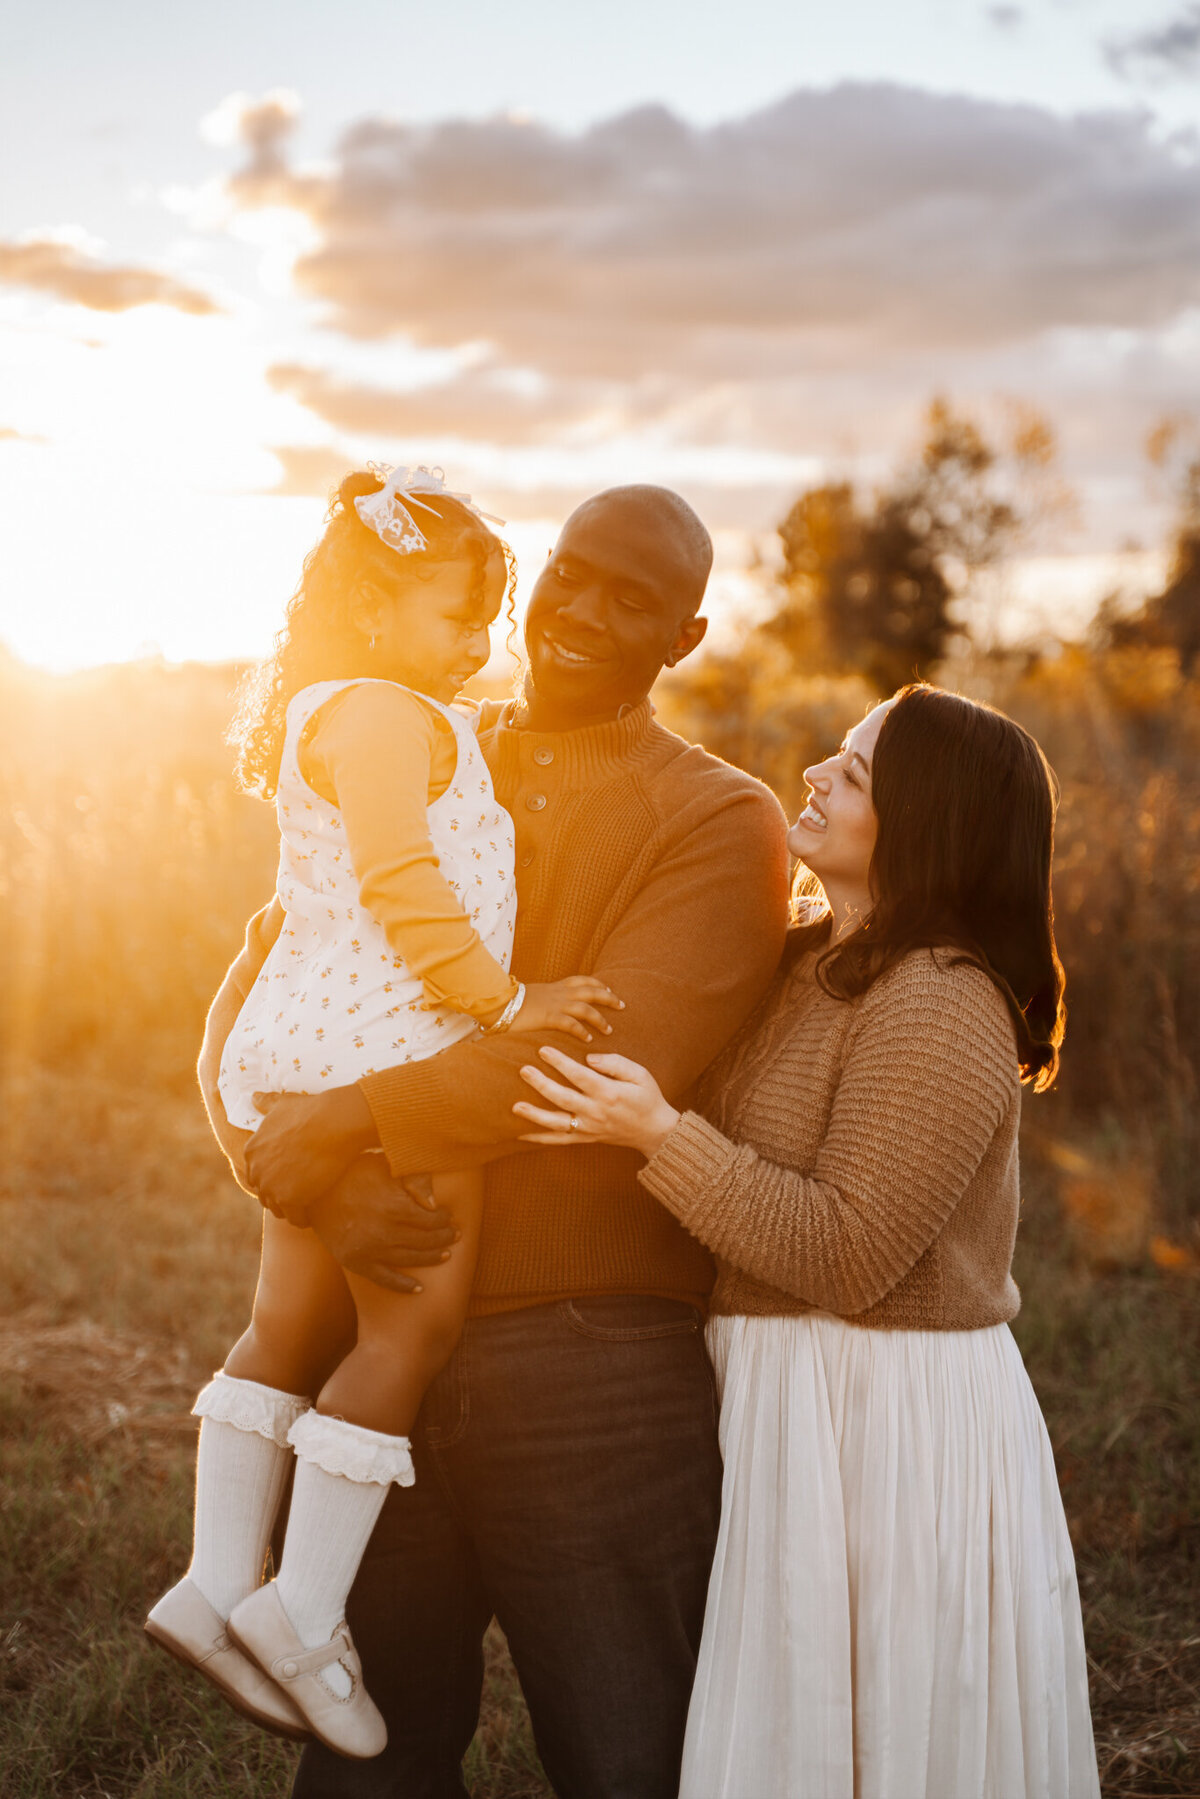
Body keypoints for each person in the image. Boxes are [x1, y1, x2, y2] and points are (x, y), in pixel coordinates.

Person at [196, 483, 792, 1797]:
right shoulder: (405, 738)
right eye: (570, 573)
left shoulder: (717, 817)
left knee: (631, 1758)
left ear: (685, 637)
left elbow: (601, 1065)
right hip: (380, 1318)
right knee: (365, 1767)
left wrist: (342, 1128)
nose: (580, 609)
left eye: (631, 597)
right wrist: (293, 1181)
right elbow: (271, 981)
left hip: (590, 1364)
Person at [513, 684, 1101, 1799]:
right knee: (790, 1720)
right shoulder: (803, 961)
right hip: (783, 1391)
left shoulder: (941, 998)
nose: (817, 776)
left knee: (870, 1726)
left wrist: (656, 1133)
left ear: (927, 821)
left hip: (883, 1416)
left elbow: (849, 1252)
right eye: (835, 753)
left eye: (858, 770)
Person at [146, 464, 622, 1760]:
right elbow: (405, 884)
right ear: (370, 609)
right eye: (452, 618)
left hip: (303, 1041)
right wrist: (506, 997)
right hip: (387, 1040)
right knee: (414, 1330)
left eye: (484, 618)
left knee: (290, 1320)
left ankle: (213, 1577)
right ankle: (300, 1609)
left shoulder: (346, 706)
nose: (476, 644)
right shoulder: (380, 717)